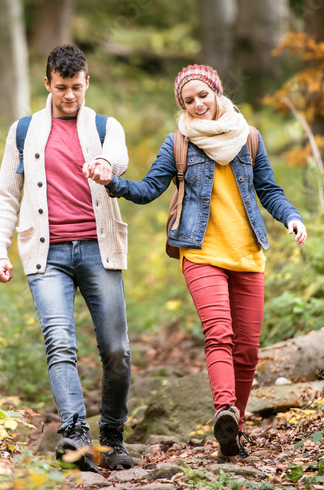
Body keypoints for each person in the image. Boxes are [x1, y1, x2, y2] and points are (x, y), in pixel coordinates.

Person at [84, 64, 307, 460]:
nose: (198, 104)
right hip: (200, 252)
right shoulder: (179, 143)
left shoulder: (249, 138)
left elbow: (269, 189)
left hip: (248, 254)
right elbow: (149, 188)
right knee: (219, 333)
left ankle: (232, 430)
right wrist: (112, 183)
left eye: (203, 95)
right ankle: (224, 410)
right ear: (182, 105)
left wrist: (291, 216)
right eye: (189, 101)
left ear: (217, 92)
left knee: (249, 351)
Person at [0, 44, 134, 473]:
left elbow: (119, 157)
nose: (69, 95)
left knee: (116, 350)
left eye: (76, 87)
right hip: (45, 254)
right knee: (60, 343)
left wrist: (106, 164)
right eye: (61, 88)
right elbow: (6, 197)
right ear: (47, 84)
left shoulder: (106, 126)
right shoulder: (24, 132)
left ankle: (112, 436)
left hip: (98, 250)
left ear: (87, 82)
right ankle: (75, 436)